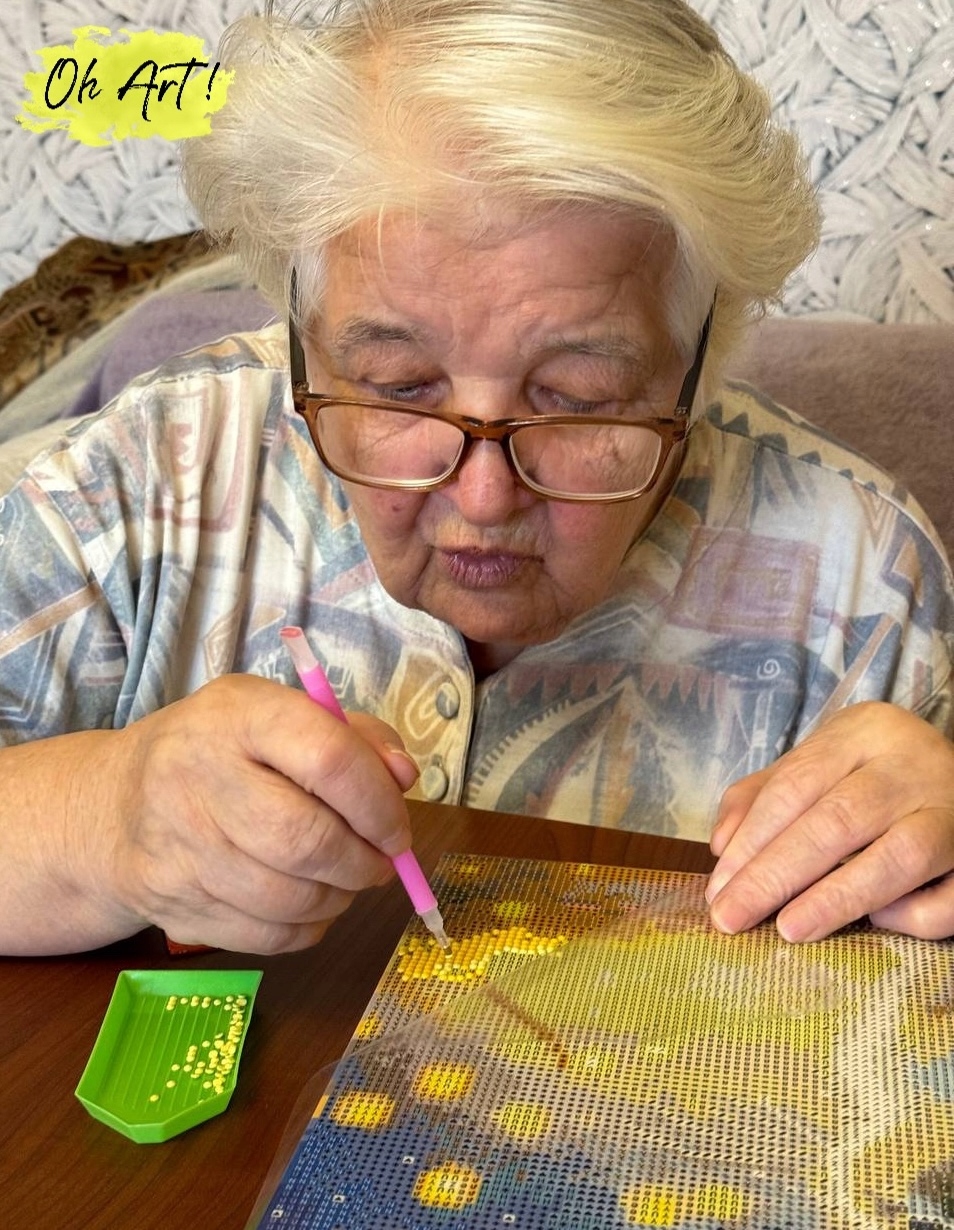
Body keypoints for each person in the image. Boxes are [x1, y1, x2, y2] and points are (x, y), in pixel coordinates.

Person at [1, 0, 952, 957]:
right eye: (397, 385)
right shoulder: (144, 478)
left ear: (699, 366)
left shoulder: (865, 579)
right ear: (304, 340)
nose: (485, 498)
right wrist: (100, 818)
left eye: (578, 398)